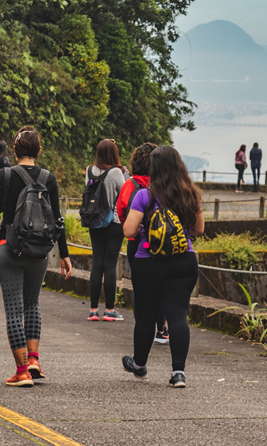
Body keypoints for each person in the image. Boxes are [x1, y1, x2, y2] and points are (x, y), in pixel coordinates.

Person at [0, 126, 72, 387]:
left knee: (13, 310)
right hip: (39, 252)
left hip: (8, 249)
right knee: (32, 304)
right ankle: (34, 361)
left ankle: (21, 372)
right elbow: (57, 220)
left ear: (15, 149)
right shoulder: (48, 178)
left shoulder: (5, 176)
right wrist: (63, 254)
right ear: (38, 150)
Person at [122, 146, 205, 388]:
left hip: (148, 261)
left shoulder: (144, 196)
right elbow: (199, 229)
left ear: (154, 169)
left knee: (146, 317)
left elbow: (128, 230)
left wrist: (145, 229)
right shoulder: (191, 195)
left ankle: (139, 365)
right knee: (178, 314)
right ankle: (178, 373)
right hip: (183, 260)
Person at [115, 142, 168, 343]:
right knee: (161, 286)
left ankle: (141, 328)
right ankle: (162, 330)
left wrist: (132, 229)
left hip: (135, 242)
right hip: (160, 243)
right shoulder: (161, 183)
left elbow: (121, 211)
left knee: (140, 287)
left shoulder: (129, 185)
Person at [84, 139, 127, 322]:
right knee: (110, 265)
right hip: (114, 222)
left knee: (97, 264)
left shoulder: (89, 171)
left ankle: (93, 310)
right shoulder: (117, 172)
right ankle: (110, 310)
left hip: (95, 221)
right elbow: (125, 195)